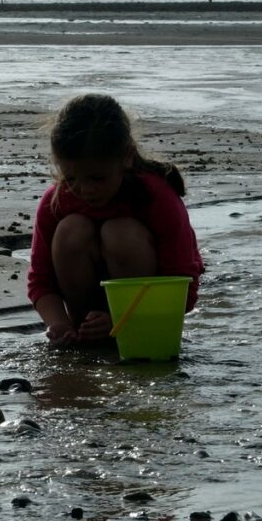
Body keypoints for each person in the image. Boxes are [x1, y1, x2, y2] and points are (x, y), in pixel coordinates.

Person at [27, 94, 203, 348]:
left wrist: (121, 319)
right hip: (84, 317)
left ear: (127, 157)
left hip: (145, 315)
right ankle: (82, 334)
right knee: (71, 229)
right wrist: (58, 323)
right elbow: (40, 280)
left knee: (120, 233)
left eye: (97, 179)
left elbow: (184, 289)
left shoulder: (157, 197)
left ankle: (128, 334)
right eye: (71, 178)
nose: (85, 190)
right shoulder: (57, 201)